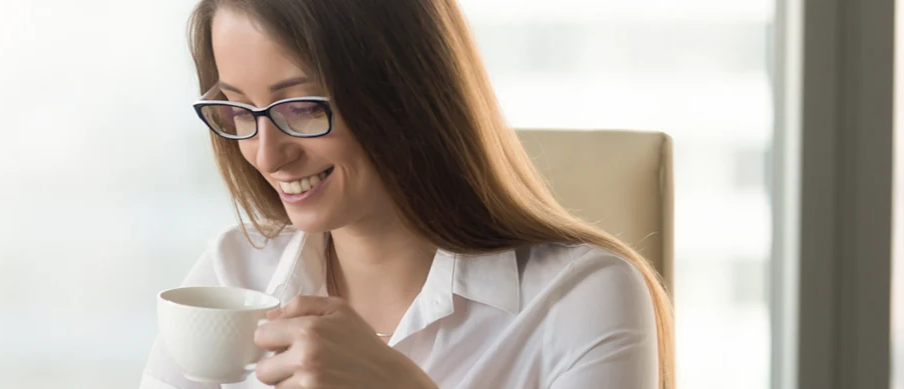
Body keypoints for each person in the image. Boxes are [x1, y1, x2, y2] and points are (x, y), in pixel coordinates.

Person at [141, 0, 674, 388]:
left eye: (302, 107)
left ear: (406, 93)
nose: (265, 155)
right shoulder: (234, 274)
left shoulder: (576, 300)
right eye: (237, 110)